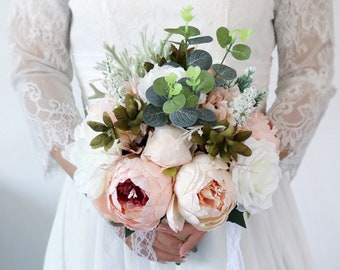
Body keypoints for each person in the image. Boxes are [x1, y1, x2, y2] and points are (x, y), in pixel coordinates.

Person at [9, 0, 335, 269]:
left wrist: (230, 190)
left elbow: (309, 72)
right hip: (108, 204)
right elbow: (37, 67)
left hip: (238, 212)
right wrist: (111, 200)